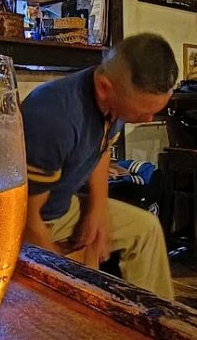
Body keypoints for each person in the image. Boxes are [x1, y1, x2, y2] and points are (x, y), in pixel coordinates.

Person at [21, 33, 177, 300]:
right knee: (79, 293)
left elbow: (101, 151)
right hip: (34, 219)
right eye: (142, 112)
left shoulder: (112, 102)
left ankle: (155, 318)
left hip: (63, 206)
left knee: (146, 229)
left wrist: (97, 210)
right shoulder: (54, 118)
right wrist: (68, 273)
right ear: (105, 87)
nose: (149, 118)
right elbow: (24, 218)